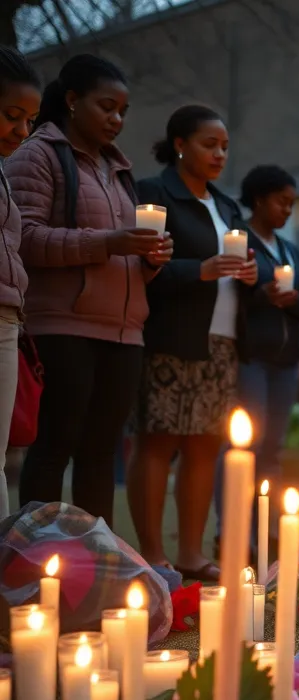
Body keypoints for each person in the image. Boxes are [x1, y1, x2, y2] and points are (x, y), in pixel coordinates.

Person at [8, 55, 172, 526]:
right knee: (54, 446)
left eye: (123, 111)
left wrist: (149, 260)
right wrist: (109, 242)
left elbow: (121, 254)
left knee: (101, 454)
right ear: (72, 101)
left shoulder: (117, 169)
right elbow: (24, 238)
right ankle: (36, 555)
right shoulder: (38, 154)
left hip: (123, 331)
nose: (116, 119)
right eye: (106, 106)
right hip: (62, 326)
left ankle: (98, 559)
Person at [129, 105, 257, 579]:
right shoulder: (154, 193)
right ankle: (151, 554)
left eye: (224, 146)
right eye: (209, 144)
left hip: (222, 340)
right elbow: (140, 268)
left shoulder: (227, 206)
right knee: (159, 442)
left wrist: (252, 273)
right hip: (171, 336)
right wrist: (198, 270)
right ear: (180, 144)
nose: (219, 154)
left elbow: (241, 264)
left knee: (205, 447)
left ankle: (190, 553)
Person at [214, 164, 299, 539]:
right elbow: (233, 294)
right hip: (252, 357)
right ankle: (231, 529)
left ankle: (265, 530)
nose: (287, 210)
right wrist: (263, 296)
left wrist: (294, 300)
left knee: (273, 447)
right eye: (281, 201)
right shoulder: (241, 241)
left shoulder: (290, 250)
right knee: (245, 443)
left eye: (291, 204)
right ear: (259, 200)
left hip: (285, 362)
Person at [0, 46, 42, 518]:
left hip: (8, 318)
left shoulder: (3, 171)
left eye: (29, 120)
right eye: (12, 116)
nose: (22, 130)